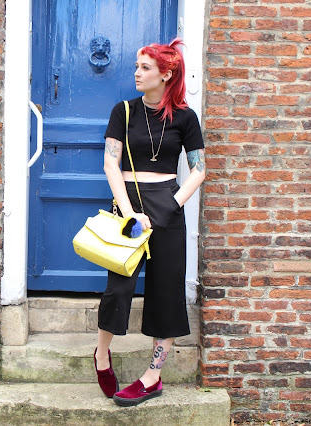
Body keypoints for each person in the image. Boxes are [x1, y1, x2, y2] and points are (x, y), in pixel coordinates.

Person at [93, 39, 206, 407]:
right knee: (119, 286)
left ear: (166, 74)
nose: (137, 73)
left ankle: (153, 376)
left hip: (168, 205)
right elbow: (111, 164)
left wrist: (172, 204)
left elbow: (199, 170)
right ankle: (101, 354)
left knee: (166, 291)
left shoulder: (185, 118)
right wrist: (129, 213)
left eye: (145, 67)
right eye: (137, 66)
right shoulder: (123, 111)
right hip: (129, 202)